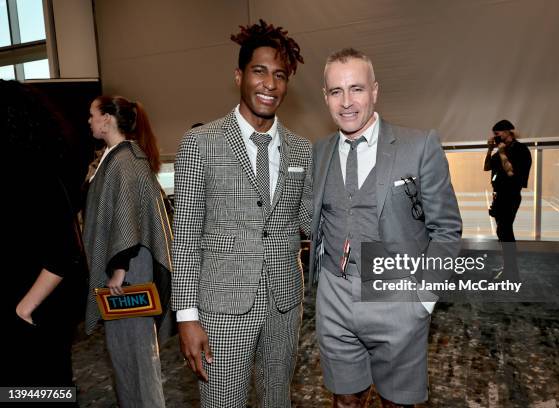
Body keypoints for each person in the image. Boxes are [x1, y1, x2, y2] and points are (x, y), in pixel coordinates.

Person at [310, 48, 462, 407]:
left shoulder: (419, 145)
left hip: (396, 294)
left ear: (375, 91)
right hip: (334, 294)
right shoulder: (318, 151)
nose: (347, 102)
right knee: (345, 400)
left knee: (397, 403)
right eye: (336, 91)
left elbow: (447, 230)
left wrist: (422, 301)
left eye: (357, 89)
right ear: (326, 97)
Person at [171, 19, 312, 407]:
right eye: (260, 71)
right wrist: (186, 316)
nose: (270, 84)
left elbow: (311, 220)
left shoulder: (302, 150)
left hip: (284, 304)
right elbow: (184, 236)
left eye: (280, 75)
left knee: (277, 400)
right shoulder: (201, 143)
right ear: (239, 76)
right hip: (221, 307)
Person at [83, 95, 173, 407]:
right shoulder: (113, 157)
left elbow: (128, 215)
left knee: (138, 355)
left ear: (107, 118)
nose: (89, 120)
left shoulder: (126, 160)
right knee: (122, 352)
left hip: (128, 271)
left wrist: (118, 269)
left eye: (93, 115)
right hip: (123, 269)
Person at [1, 79, 87, 391]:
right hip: (32, 314)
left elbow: (63, 253)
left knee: (41, 391)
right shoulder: (23, 171)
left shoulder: (35, 176)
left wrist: (22, 310)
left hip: (35, 315)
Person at [484, 119, 532, 281]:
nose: (495, 137)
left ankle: (511, 272)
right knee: (502, 232)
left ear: (507, 132)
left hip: (510, 196)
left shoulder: (520, 150)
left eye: (497, 134)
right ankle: (508, 268)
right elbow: (486, 167)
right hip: (499, 196)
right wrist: (490, 149)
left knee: (505, 232)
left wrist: (502, 152)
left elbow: (512, 174)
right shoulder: (500, 150)